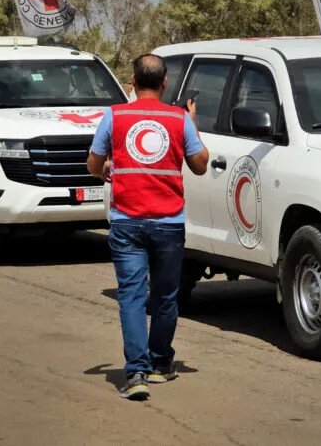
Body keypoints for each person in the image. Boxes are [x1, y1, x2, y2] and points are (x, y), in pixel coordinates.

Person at [87, 54, 209, 400]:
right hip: (169, 223)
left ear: (132, 82)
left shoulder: (114, 115)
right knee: (165, 296)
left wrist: (107, 168)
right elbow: (200, 165)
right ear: (165, 83)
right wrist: (193, 123)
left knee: (132, 296)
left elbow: (93, 163)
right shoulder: (179, 118)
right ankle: (160, 364)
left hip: (127, 222)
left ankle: (136, 372)